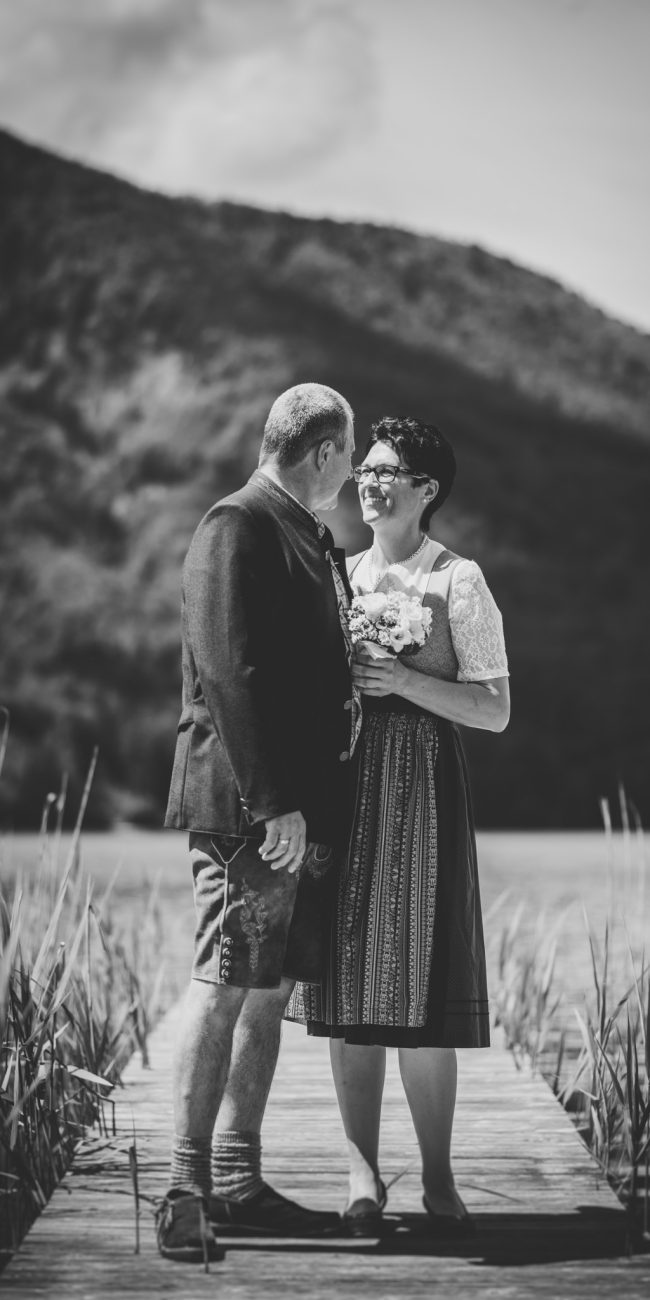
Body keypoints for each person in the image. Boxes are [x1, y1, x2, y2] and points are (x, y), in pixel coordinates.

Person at [288, 415, 510, 1237]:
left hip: (422, 786)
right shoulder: (334, 574)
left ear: (427, 491)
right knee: (347, 985)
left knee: (419, 988)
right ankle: (360, 1174)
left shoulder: (460, 581)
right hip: (344, 783)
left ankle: (442, 1181)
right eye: (366, 469)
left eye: (389, 472)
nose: (369, 483)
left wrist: (402, 681)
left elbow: (494, 711)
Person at [157, 383, 358, 1262]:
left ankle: (237, 1183)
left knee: (267, 994)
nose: (348, 478)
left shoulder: (304, 532)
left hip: (292, 819)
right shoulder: (234, 524)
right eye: (347, 460)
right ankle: (183, 1190)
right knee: (225, 980)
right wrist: (274, 801)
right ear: (324, 452)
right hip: (249, 814)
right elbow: (229, 669)